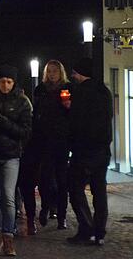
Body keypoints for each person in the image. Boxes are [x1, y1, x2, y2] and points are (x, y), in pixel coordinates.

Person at [0, 65, 32, 256]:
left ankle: (8, 235)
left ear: (14, 82)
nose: (6, 85)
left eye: (9, 82)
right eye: (2, 81)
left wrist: (4, 123)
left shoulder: (22, 102)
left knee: (8, 198)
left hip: (10, 155)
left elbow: (25, 131)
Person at [64, 57, 112, 246]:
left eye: (74, 73)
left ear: (79, 73)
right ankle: (100, 231)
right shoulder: (104, 91)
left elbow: (77, 123)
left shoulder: (81, 93)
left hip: (84, 150)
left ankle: (87, 228)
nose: (72, 76)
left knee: (75, 189)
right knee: (99, 191)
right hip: (103, 149)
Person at [30, 60, 71, 230]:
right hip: (44, 139)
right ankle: (46, 206)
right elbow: (36, 111)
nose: (52, 74)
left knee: (62, 180)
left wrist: (68, 106)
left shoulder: (67, 88)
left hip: (61, 140)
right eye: (50, 71)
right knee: (45, 178)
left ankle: (61, 215)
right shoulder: (41, 90)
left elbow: (71, 114)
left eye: (55, 71)